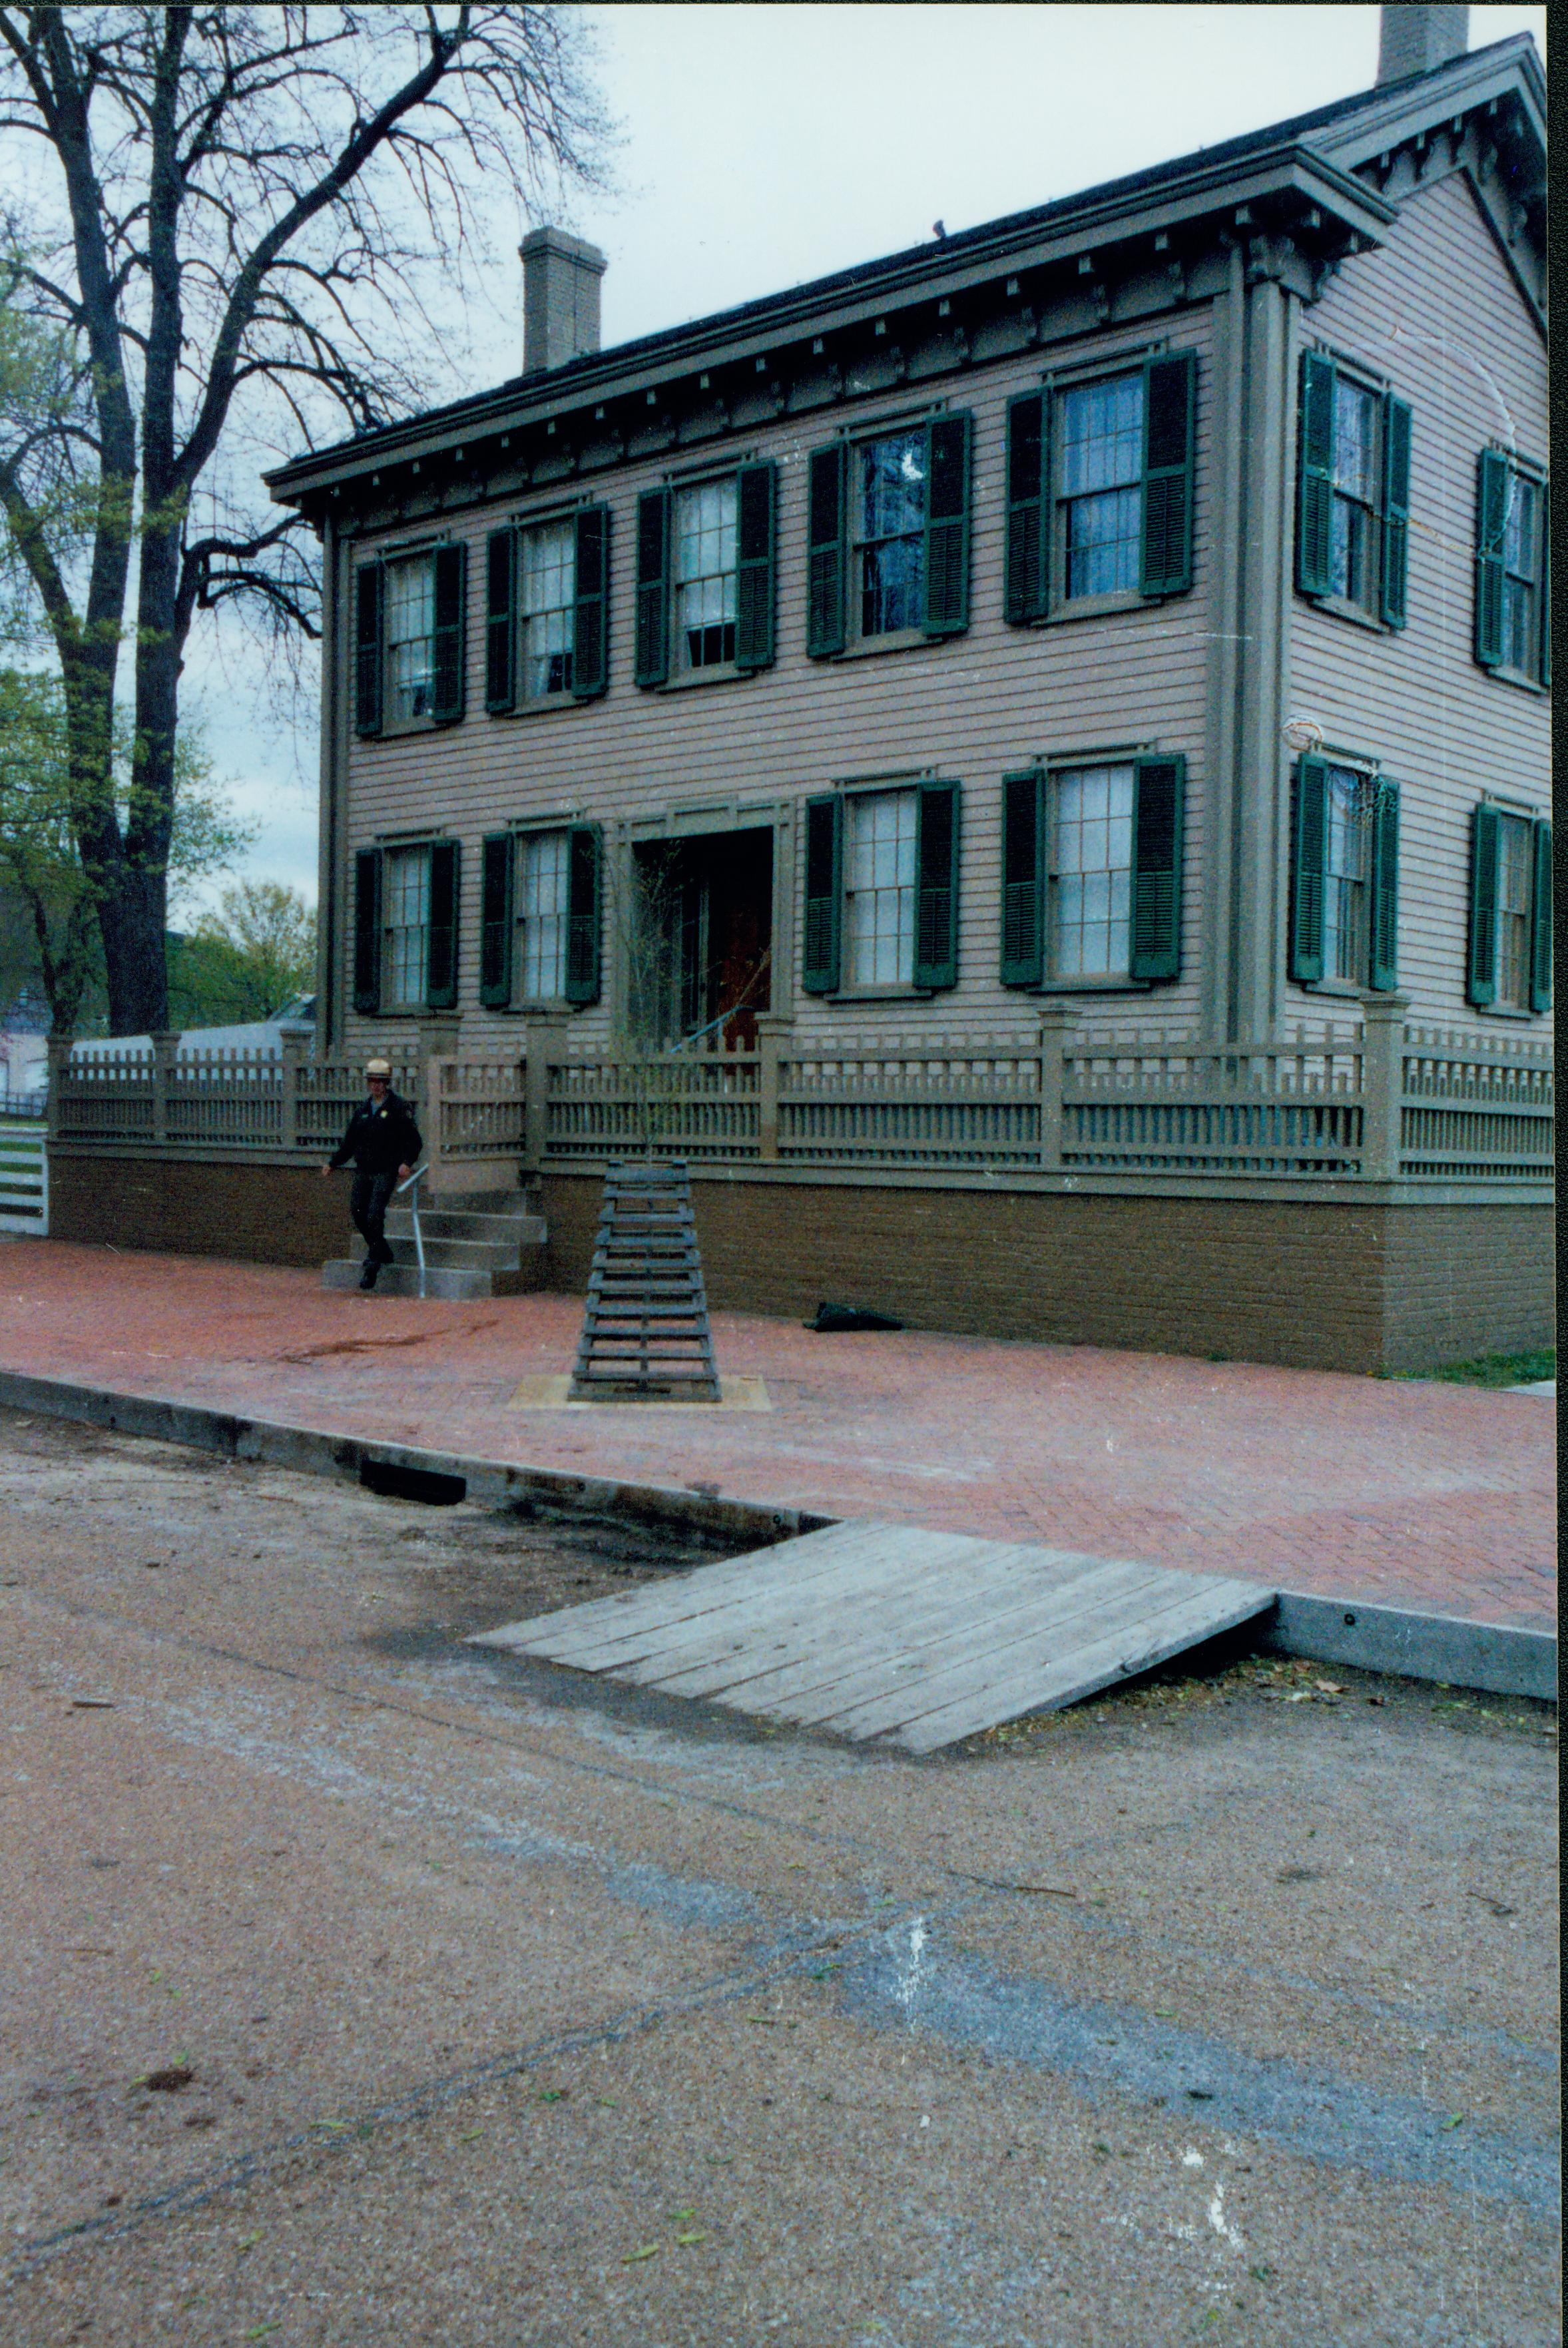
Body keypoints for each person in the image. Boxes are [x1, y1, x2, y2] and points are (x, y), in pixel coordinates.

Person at [322, 1057, 422, 1291]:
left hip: (385, 1170)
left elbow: (413, 1141)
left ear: (386, 1083)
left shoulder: (399, 1108)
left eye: (380, 1081)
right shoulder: (363, 1111)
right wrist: (333, 1163)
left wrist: (406, 1162)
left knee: (375, 1214)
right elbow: (350, 1142)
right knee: (358, 1212)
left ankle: (373, 1263)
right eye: (372, 1081)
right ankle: (382, 1250)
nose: (376, 1086)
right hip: (364, 1169)